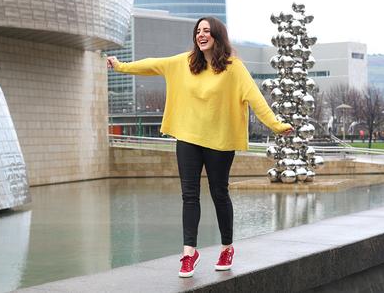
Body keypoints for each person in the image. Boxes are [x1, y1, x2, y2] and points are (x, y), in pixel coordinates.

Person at [107, 17, 293, 278]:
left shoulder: (234, 68)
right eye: (198, 31)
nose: (201, 34)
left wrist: (276, 124)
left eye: (206, 31)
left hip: (220, 141)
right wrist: (121, 66)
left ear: (217, 35)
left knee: (219, 193)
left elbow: (255, 98)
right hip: (188, 139)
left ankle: (227, 248)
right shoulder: (185, 63)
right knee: (189, 196)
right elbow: (153, 64)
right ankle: (188, 253)